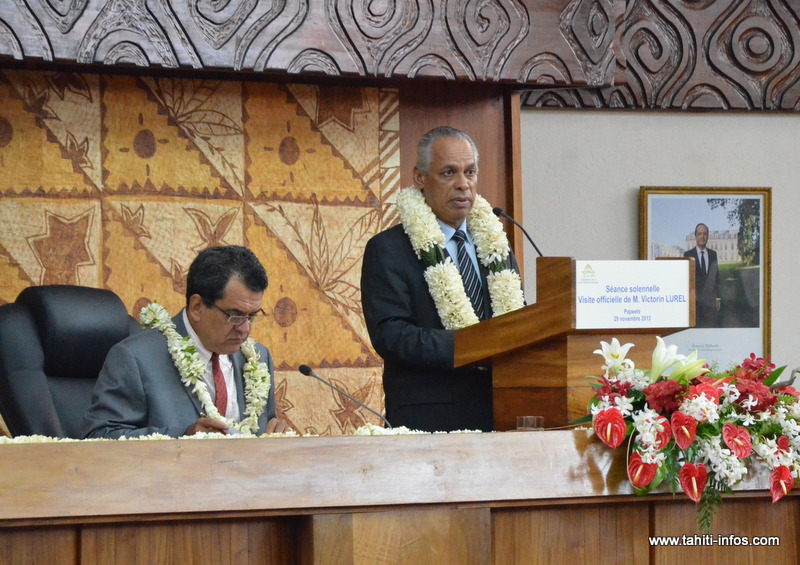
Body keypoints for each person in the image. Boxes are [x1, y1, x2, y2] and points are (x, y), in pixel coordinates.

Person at [360, 126, 522, 432]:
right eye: (449, 173)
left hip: (501, 409)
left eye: (470, 172)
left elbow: (516, 318)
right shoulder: (388, 249)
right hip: (430, 417)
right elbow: (390, 335)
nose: (463, 185)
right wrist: (470, 346)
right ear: (420, 178)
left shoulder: (496, 245)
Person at [83, 245, 289, 438]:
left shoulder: (258, 358)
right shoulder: (136, 358)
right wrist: (183, 437)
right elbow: (99, 436)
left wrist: (274, 434)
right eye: (235, 315)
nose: (245, 329)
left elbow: (263, 429)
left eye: (252, 316)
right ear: (197, 307)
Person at [684, 223, 721, 328]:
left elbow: (716, 277)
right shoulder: (688, 255)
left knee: (710, 330)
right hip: (695, 302)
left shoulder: (713, 254)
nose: (702, 236)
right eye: (699, 234)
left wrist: (718, 298)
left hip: (710, 302)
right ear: (695, 236)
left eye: (705, 234)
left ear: (707, 236)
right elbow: (686, 280)